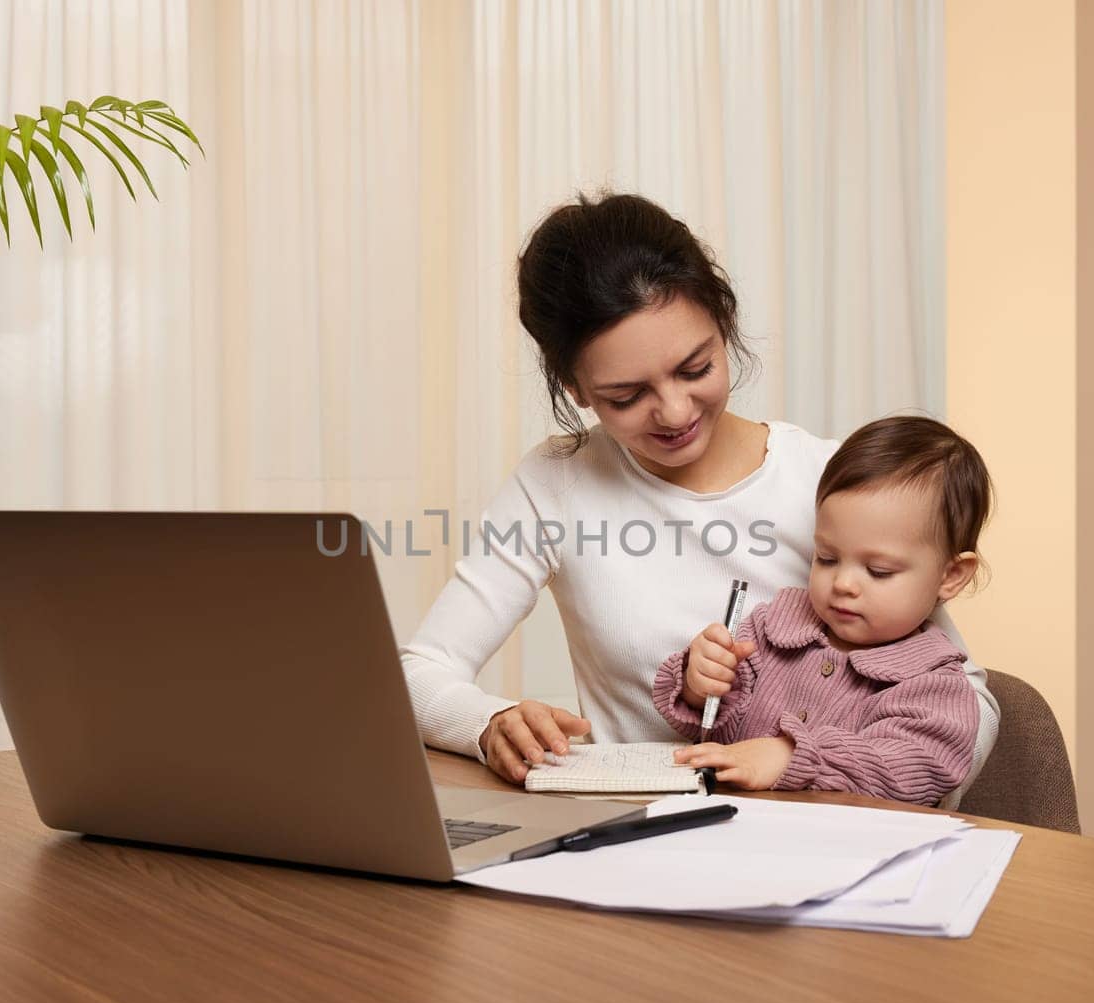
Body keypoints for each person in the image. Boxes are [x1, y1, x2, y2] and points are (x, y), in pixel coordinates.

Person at [400, 192, 999, 809]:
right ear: (576, 387)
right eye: (626, 396)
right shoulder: (557, 485)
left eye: (695, 368)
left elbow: (968, 706)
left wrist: (817, 769)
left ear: (724, 321)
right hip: (640, 838)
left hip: (829, 835)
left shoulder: (833, 483)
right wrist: (487, 725)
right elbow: (418, 675)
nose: (676, 412)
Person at [654, 416, 989, 806]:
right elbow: (710, 724)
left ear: (951, 575)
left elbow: (907, 771)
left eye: (878, 571)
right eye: (827, 558)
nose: (843, 583)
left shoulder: (936, 684)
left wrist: (790, 756)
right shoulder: (771, 627)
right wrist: (700, 686)